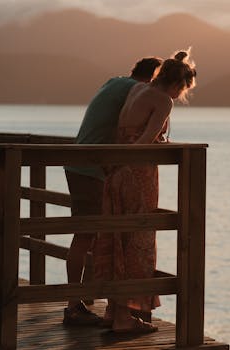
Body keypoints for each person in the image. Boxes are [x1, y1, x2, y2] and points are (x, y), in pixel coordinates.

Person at [93, 50, 197, 333]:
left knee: (118, 237)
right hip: (137, 173)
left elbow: (125, 134)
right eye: (182, 90)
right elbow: (145, 141)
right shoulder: (163, 100)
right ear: (177, 84)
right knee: (138, 241)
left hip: (117, 168)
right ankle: (125, 319)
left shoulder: (138, 89)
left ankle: (114, 312)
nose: (178, 97)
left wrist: (119, 161)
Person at [63, 56, 163, 326]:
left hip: (80, 164)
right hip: (91, 168)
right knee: (86, 237)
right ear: (151, 80)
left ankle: (96, 305)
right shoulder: (138, 91)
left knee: (94, 238)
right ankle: (76, 305)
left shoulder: (114, 82)